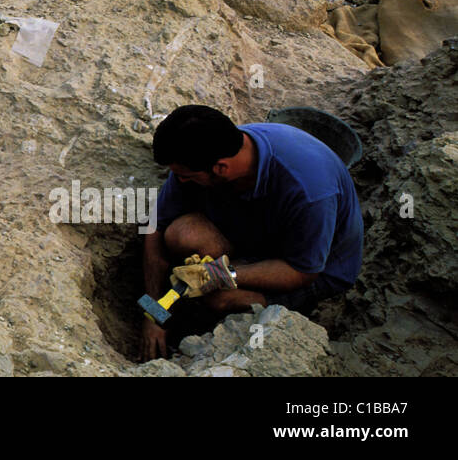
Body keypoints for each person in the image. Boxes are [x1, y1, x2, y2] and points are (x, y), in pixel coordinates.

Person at [139, 104, 363, 361]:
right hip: (255, 233)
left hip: (313, 268)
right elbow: (154, 226)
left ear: (220, 168)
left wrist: (220, 274)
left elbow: (303, 270)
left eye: (186, 177)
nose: (178, 181)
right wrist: (153, 312)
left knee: (220, 299)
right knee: (181, 234)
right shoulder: (208, 149)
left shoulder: (310, 192)